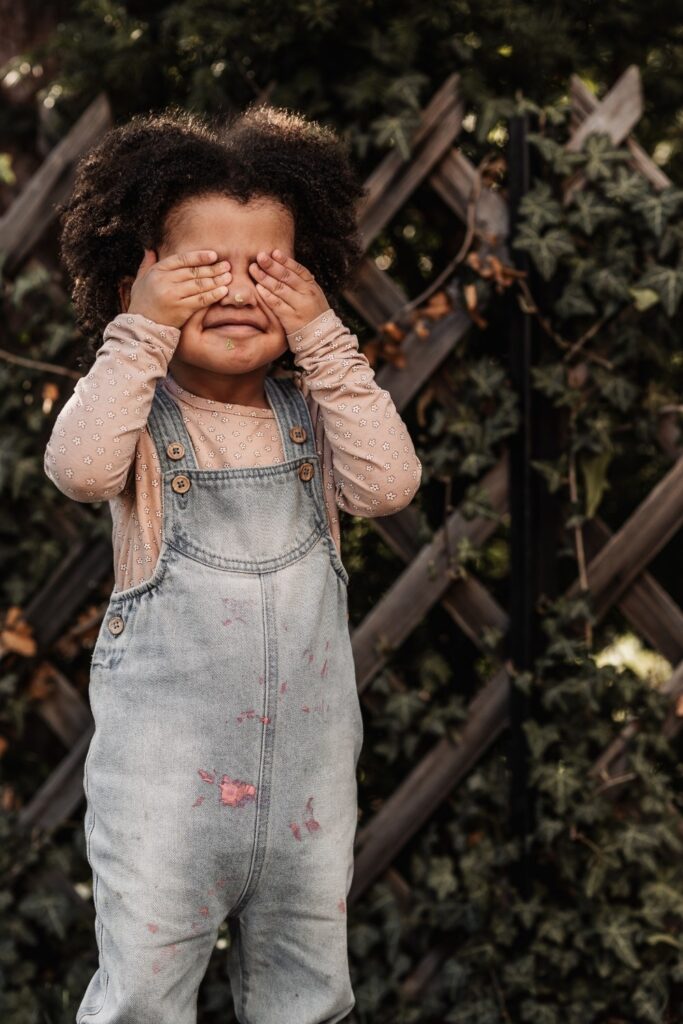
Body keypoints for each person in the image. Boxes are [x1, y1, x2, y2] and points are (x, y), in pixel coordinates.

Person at [44, 103, 422, 1024]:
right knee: (141, 1003)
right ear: (137, 275)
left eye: (269, 270)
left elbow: (391, 486)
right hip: (165, 810)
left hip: (307, 803)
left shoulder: (315, 418)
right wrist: (139, 330)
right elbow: (78, 467)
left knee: (307, 1000)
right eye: (202, 268)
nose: (237, 291)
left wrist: (327, 340)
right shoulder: (138, 422)